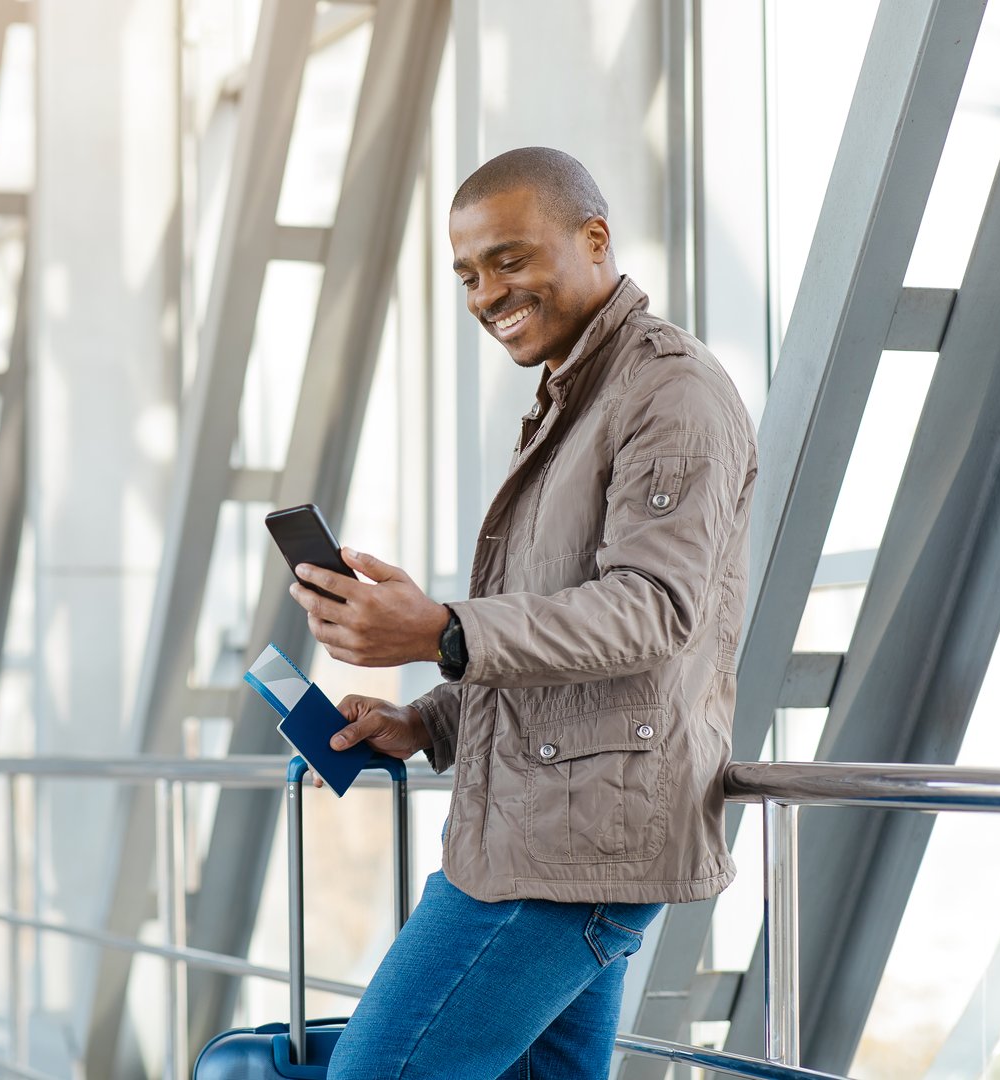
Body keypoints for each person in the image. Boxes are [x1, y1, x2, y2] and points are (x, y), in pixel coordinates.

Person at [285, 146, 759, 1078]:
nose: (484, 293)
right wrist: (422, 719)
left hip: (571, 849)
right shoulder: (573, 398)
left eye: (508, 259)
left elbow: (654, 611)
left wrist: (440, 629)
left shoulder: (672, 392)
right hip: (536, 832)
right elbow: (557, 642)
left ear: (594, 240)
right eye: (466, 274)